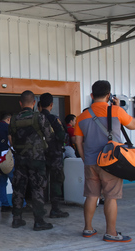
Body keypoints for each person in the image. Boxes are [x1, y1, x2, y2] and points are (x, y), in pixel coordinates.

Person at [74, 80, 135, 242]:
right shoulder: (116, 111)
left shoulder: (82, 116)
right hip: (111, 162)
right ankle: (111, 233)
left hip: (91, 162)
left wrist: (85, 158)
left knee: (92, 195)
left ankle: (88, 228)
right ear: (108, 95)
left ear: (92, 95)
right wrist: (118, 107)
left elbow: (78, 141)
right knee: (110, 197)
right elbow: (133, 126)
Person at [8, 90, 54, 231]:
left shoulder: (14, 119)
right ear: (34, 103)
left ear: (20, 103)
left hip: (20, 159)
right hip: (37, 159)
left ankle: (17, 219)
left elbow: (10, 138)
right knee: (38, 188)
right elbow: (50, 136)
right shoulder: (39, 117)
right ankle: (39, 221)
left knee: (19, 188)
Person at [38, 93, 69, 218]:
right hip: (54, 155)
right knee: (56, 181)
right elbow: (63, 137)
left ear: (39, 104)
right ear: (51, 104)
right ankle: (55, 209)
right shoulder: (54, 119)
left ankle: (39, 210)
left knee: (39, 182)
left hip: (39, 155)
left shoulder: (35, 118)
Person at [0, 113, 14, 212]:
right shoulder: (7, 127)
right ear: (8, 119)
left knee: (2, 182)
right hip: (7, 157)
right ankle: (22, 204)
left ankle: (4, 204)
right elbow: (11, 141)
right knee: (15, 181)